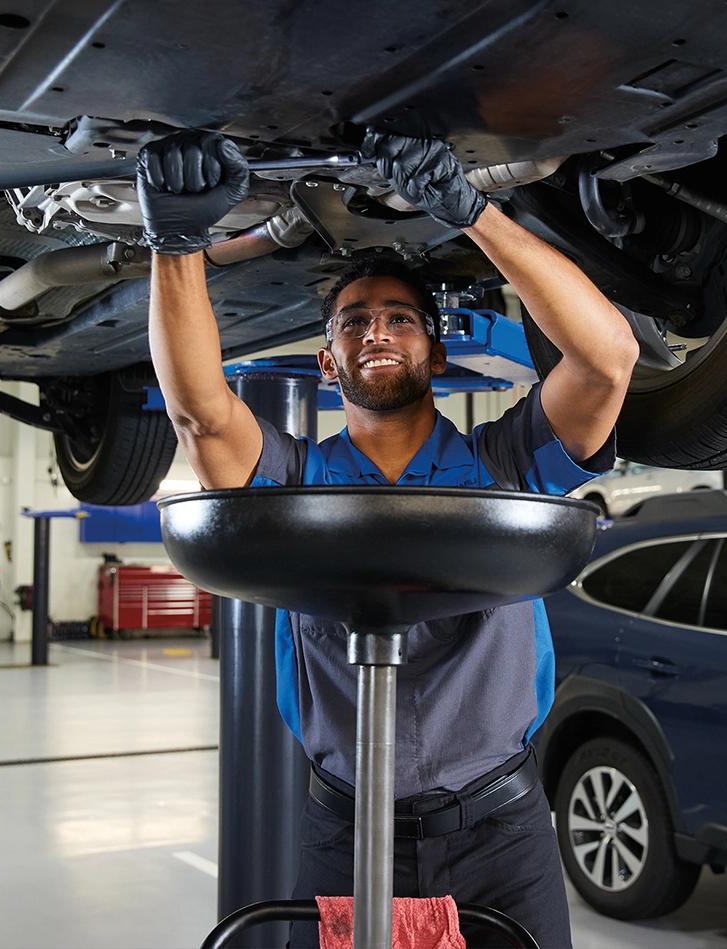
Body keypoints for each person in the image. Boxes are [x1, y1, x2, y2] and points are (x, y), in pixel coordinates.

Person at [140, 127, 638, 948]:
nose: (377, 332)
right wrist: (176, 242)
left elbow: (608, 357)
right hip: (343, 828)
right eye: (355, 321)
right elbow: (199, 412)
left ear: (434, 354)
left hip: (499, 834)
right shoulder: (292, 484)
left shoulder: (504, 466)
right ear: (327, 364)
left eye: (401, 319)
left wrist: (473, 212)